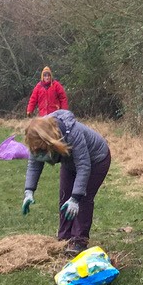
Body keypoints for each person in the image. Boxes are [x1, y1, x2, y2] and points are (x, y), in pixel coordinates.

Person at [20, 109, 112, 255]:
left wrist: (75, 198)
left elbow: (83, 166)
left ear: (51, 141)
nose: (41, 154)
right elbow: (34, 164)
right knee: (64, 197)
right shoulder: (36, 137)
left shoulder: (73, 133)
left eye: (44, 151)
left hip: (96, 160)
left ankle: (79, 241)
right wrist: (29, 191)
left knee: (82, 199)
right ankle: (64, 237)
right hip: (70, 163)